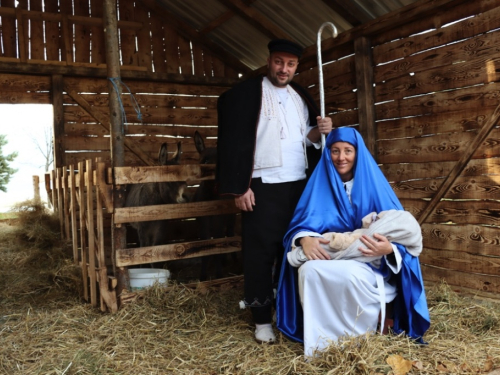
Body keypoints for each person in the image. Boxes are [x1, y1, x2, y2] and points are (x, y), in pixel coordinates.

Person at [216, 39, 333, 344]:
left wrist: (319, 132)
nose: (284, 69)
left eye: (290, 64)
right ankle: (260, 319)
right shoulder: (244, 94)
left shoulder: (300, 96)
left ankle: (287, 312)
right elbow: (232, 142)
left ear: (297, 67)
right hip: (261, 185)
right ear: (269, 60)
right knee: (260, 252)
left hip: (298, 185)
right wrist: (240, 187)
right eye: (279, 62)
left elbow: (302, 140)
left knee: (291, 250)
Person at [276, 127, 430, 357]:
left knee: (349, 274)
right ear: (327, 154)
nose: (341, 157)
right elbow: (300, 224)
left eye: (348, 150)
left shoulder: (375, 185)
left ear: (358, 153)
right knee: (308, 271)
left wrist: (388, 249)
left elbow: (402, 233)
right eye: (335, 151)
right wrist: (304, 239)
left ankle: (357, 342)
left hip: (366, 261)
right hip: (327, 256)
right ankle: (320, 345)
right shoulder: (319, 185)